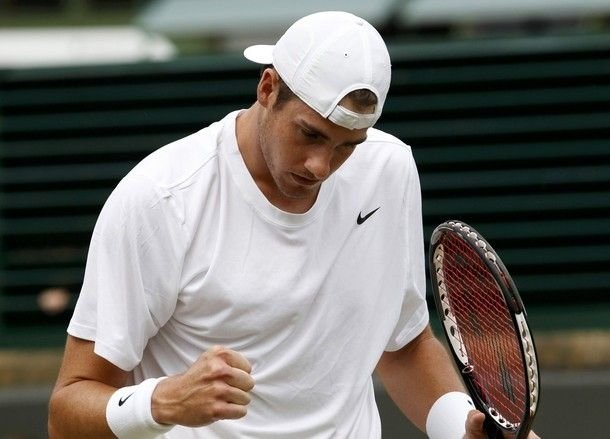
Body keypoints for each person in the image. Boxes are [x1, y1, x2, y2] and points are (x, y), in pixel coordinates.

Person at [48, 11, 540, 439]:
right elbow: (67, 411)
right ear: (267, 88)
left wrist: (459, 425)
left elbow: (402, 345)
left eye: (348, 145)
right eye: (310, 134)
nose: (321, 166)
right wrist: (162, 403)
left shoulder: (388, 171)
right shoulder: (160, 200)